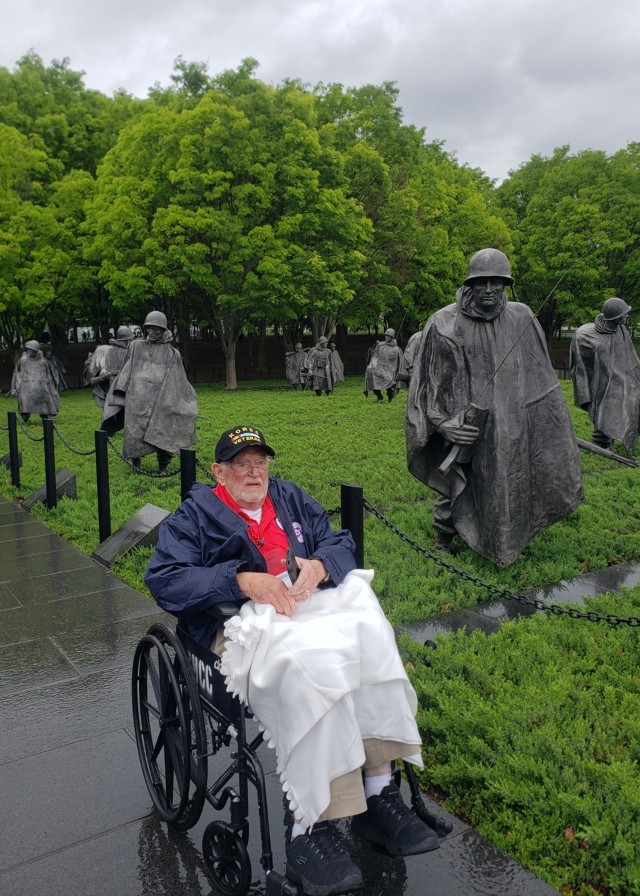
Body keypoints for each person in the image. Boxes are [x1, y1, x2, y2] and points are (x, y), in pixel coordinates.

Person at [145, 425, 439, 896]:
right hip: (241, 622)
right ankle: (307, 828)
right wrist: (242, 581)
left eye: (260, 463)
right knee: (313, 668)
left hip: (305, 607)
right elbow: (163, 579)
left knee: (371, 637)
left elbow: (338, 539)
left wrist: (322, 563)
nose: (253, 472)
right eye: (241, 465)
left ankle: (379, 789)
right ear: (219, 471)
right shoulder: (196, 515)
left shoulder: (289, 497)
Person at [405, 248, 584, 567]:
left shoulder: (522, 317)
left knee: (511, 479)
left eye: (497, 282)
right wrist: (442, 423)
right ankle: (445, 535)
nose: (489, 289)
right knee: (460, 480)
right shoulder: (443, 322)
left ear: (505, 284)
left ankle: (508, 538)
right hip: (468, 423)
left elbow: (541, 376)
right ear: (470, 284)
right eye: (482, 282)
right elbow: (426, 385)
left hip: (513, 422)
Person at [103, 311, 197, 472]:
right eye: (149, 328)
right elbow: (126, 369)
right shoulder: (136, 346)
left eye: (156, 329)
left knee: (162, 433)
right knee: (134, 434)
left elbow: (178, 380)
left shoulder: (173, 354)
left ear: (163, 330)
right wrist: (122, 392)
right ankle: (136, 464)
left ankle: (163, 467)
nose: (152, 333)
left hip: (161, 400)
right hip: (137, 399)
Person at [570, 297, 640, 452]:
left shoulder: (620, 329)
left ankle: (613, 437)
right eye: (623, 314)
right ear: (614, 317)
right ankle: (601, 441)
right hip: (601, 381)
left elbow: (629, 357)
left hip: (621, 376)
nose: (626, 316)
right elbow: (582, 365)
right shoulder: (587, 336)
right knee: (608, 404)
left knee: (633, 397)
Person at [10, 340, 61, 421]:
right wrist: (13, 388)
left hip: (41, 386)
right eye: (29, 350)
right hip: (26, 385)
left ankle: (45, 414)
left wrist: (52, 388)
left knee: (44, 398)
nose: (31, 352)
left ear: (36, 351)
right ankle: (25, 415)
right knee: (24, 399)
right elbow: (17, 374)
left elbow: (50, 376)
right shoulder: (23, 360)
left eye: (33, 350)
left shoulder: (43, 362)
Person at [86, 326, 135, 409]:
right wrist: (103, 371)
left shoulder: (108, 350)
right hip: (114, 389)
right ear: (128, 340)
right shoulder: (108, 350)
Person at [363, 328, 404, 402]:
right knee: (370, 371)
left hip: (390, 371)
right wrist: (373, 364)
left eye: (388, 336)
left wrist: (398, 372)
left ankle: (390, 396)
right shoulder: (380, 345)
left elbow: (400, 363)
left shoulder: (397, 349)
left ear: (392, 337)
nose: (386, 337)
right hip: (379, 367)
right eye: (386, 335)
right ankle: (379, 395)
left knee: (389, 380)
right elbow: (375, 356)